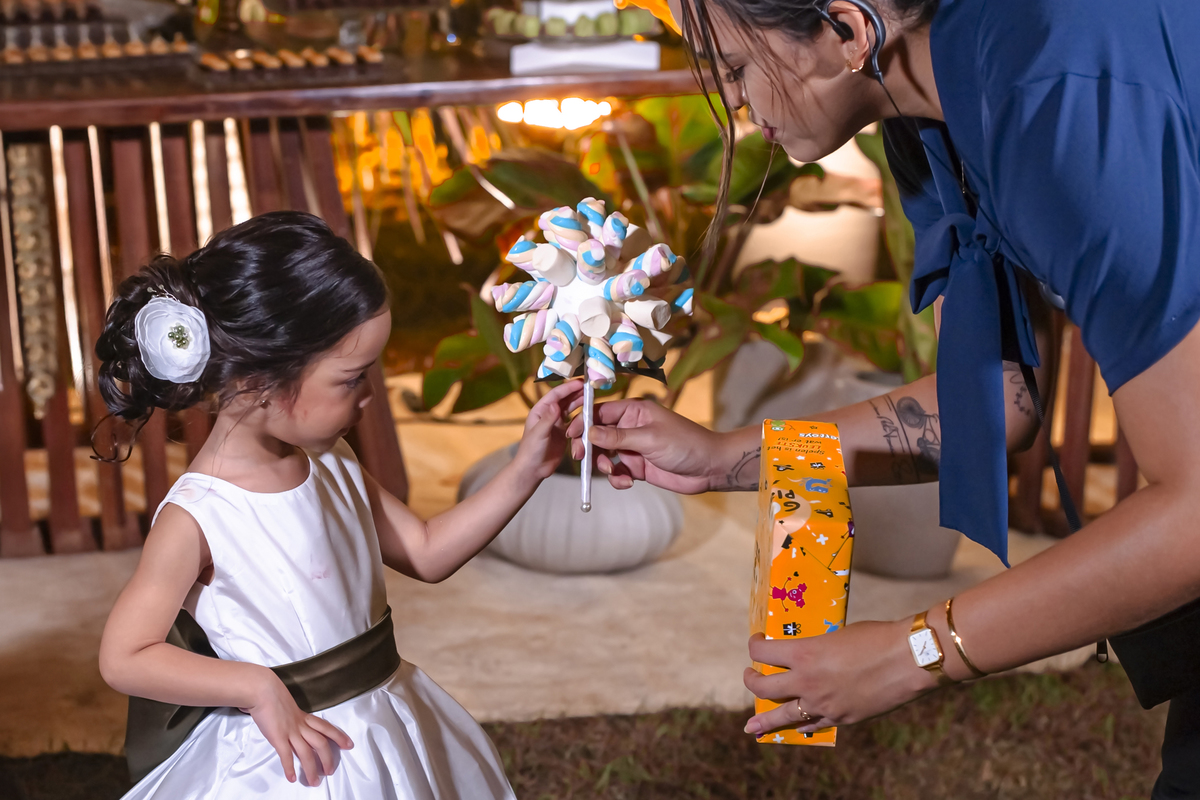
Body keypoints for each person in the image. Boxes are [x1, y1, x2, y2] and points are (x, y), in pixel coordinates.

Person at [569, 0, 1200, 795]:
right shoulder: (924, 109)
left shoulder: (1056, 93)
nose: (733, 104)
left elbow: (1193, 514)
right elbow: (998, 398)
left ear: (847, 29)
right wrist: (729, 457)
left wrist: (915, 654)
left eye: (733, 69)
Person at [96, 211, 583, 798]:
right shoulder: (199, 516)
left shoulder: (333, 459)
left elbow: (426, 553)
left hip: (383, 724)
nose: (370, 396)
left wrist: (527, 467)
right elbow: (125, 656)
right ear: (261, 378)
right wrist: (256, 687)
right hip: (294, 756)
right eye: (352, 379)